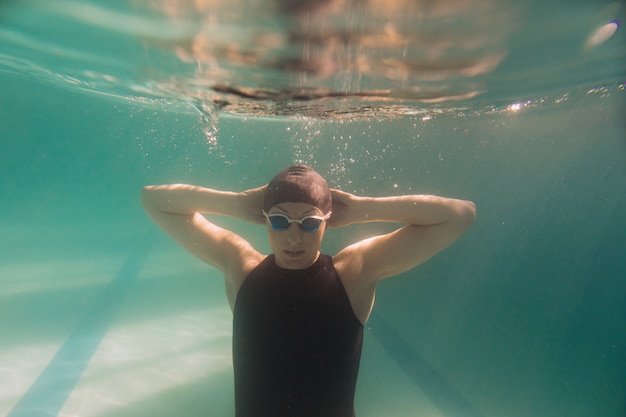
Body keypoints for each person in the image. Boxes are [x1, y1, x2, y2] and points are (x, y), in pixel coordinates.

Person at [141, 164, 476, 417]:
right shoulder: (241, 266)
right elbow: (153, 200)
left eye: (311, 223)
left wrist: (363, 207)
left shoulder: (352, 272)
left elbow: (460, 216)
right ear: (264, 219)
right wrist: (235, 203)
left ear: (327, 221)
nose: (294, 238)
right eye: (279, 221)